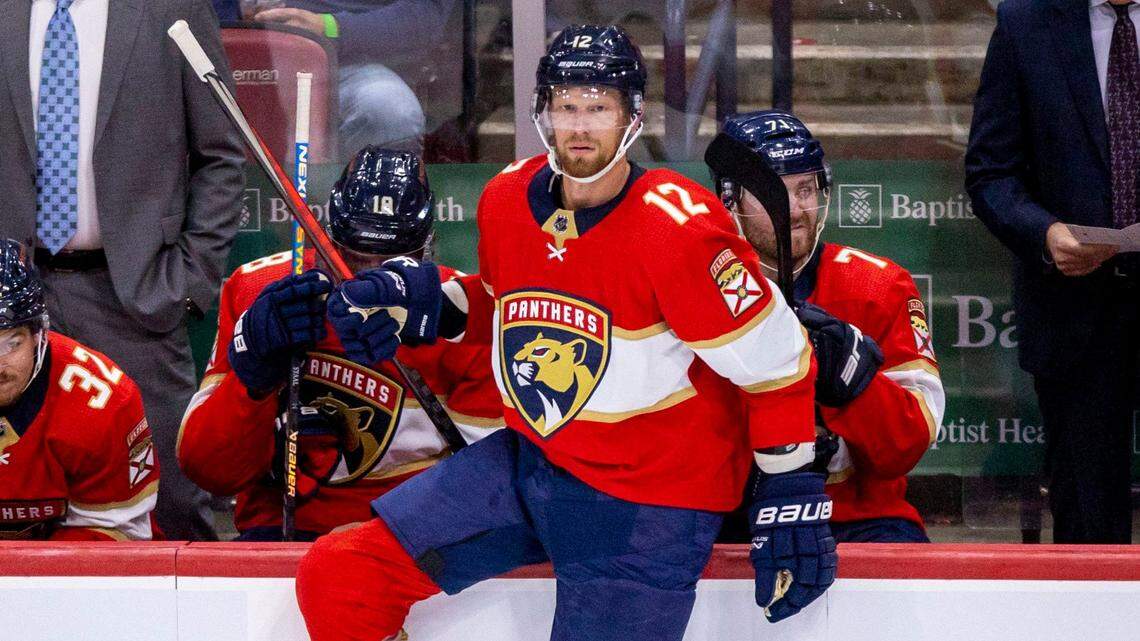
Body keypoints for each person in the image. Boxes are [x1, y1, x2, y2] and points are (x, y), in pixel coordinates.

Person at [294, 25, 835, 641]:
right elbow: (505, 307)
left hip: (647, 503)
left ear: (632, 117)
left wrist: (792, 492)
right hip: (534, 464)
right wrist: (419, 304)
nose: (580, 127)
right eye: (566, 106)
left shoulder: (680, 228)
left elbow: (779, 360)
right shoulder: (506, 198)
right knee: (341, 575)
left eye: (598, 107)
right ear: (543, 111)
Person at [0, 0, 246, 541]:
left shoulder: (171, 7)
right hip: (7, 301)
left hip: (136, 294)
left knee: (172, 511)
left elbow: (223, 154)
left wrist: (185, 280)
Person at [178, 147, 502, 541]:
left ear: (426, 248)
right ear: (324, 236)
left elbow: (489, 491)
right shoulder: (259, 290)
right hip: (279, 528)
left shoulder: (459, 313)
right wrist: (253, 379)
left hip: (411, 534)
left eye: (392, 261)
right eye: (351, 257)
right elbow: (208, 472)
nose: (365, 278)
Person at [713, 110, 946, 543]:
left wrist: (856, 384)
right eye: (774, 193)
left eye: (806, 189)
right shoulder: (697, 289)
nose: (796, 210)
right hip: (730, 515)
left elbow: (908, 446)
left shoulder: (877, 285)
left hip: (858, 518)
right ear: (729, 200)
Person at [965, 0, 1139, 543]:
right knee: (1088, 523)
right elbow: (991, 171)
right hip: (1075, 310)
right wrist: (1044, 233)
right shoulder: (1027, 23)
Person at [0, 239, 159, 541]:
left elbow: (113, 539)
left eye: (11, 343)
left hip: (62, 578)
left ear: (38, 335)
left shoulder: (105, 403)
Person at [234, 0, 456, 155]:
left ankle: (364, 216)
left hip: (350, 61)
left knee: (389, 110)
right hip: (239, 52)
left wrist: (328, 27)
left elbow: (425, 19)